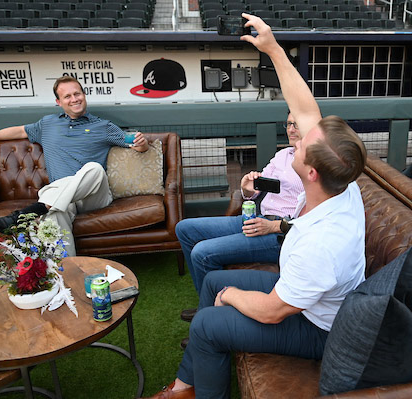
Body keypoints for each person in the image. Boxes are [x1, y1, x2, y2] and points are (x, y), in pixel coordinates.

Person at [147, 14, 367, 399]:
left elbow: (272, 312)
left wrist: (231, 297)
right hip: (306, 298)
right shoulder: (339, 182)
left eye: (301, 145)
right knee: (214, 281)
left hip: (318, 328)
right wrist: (273, 48)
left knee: (209, 322)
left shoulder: (322, 243)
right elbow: (305, 107)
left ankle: (194, 381)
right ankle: (188, 381)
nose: (295, 139)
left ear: (312, 172)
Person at [0, 76, 149, 256]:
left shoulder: (103, 126)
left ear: (84, 95)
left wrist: (142, 144)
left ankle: (26, 214)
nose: (74, 99)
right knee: (55, 215)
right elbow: (18, 131)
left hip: (93, 196)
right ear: (59, 101)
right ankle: (67, 274)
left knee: (94, 168)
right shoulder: (47, 124)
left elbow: (137, 145)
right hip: (61, 197)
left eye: (77, 94)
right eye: (67, 96)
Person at [175, 111, 303, 323]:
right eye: (288, 124)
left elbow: (314, 219)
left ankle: (209, 318)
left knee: (202, 253)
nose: (290, 129)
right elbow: (257, 189)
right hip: (256, 217)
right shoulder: (283, 155)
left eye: (296, 124)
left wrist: (275, 226)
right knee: (185, 229)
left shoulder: (315, 166)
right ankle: (207, 304)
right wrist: (247, 189)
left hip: (279, 233)